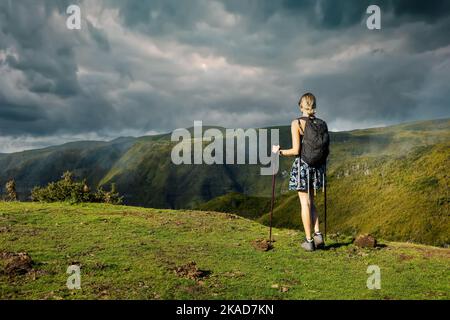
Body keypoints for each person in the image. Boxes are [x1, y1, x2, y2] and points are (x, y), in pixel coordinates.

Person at [272, 93, 328, 252]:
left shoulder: (296, 123)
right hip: (317, 167)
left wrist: (279, 152)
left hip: (303, 166)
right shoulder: (321, 123)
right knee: (311, 202)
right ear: (314, 105)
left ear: (300, 106)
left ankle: (309, 241)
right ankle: (318, 236)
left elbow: (296, 150)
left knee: (305, 203)